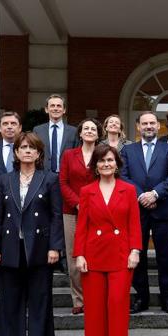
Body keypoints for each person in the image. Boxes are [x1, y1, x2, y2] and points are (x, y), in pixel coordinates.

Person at [0, 132, 64, 336]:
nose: (27, 151)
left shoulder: (50, 179)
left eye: (32, 148)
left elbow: (56, 216)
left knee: (40, 304)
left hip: (40, 250)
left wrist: (55, 247)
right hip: (10, 249)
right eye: (23, 147)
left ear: (39, 153)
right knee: (10, 304)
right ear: (16, 153)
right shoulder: (4, 180)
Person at [74, 144, 141, 336]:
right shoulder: (87, 191)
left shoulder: (129, 190)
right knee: (94, 309)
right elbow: (81, 226)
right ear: (95, 166)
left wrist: (135, 250)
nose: (106, 164)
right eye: (101, 161)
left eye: (110, 160)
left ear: (117, 164)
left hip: (121, 255)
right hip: (93, 255)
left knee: (117, 306)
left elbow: (134, 223)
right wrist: (79, 254)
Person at [120, 111, 168, 315]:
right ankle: (141, 298)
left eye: (152, 123)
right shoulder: (128, 150)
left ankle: (167, 299)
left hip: (163, 210)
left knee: (165, 258)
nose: (148, 126)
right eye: (144, 123)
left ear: (158, 125)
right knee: (138, 256)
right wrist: (141, 196)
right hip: (137, 212)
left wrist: (155, 194)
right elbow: (123, 176)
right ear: (138, 126)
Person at [59, 118, 102, 314]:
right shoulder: (69, 155)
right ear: (80, 133)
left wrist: (91, 204)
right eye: (86, 128)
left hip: (98, 211)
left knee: (95, 254)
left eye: (93, 129)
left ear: (98, 134)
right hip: (71, 211)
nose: (90, 131)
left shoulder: (103, 155)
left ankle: (94, 297)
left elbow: (108, 179)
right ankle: (78, 299)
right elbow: (63, 182)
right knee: (74, 254)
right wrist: (77, 203)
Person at [33, 94, 79, 172]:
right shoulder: (38, 130)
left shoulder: (73, 131)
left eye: (59, 106)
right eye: (52, 106)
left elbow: (77, 155)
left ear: (64, 110)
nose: (55, 108)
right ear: (46, 109)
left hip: (66, 175)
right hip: (43, 174)